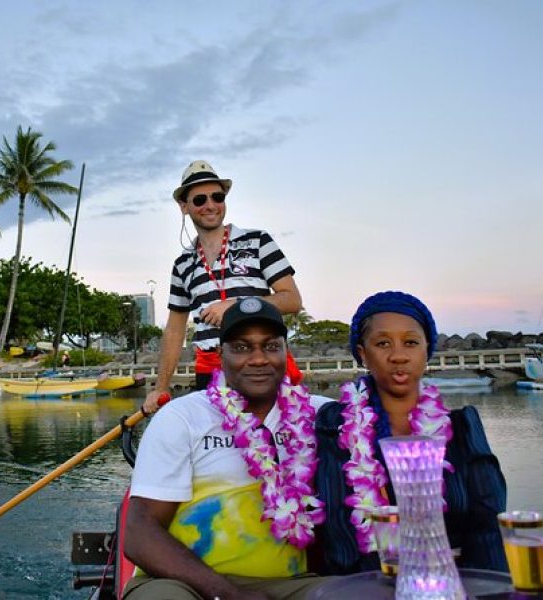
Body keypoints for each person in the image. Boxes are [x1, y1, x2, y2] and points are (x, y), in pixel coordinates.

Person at [124, 298, 333, 599]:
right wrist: (231, 596)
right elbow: (139, 532)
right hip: (183, 585)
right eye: (242, 347)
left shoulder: (323, 415)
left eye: (271, 346)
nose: (259, 358)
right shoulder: (182, 417)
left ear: (286, 353)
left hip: (296, 585)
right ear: (221, 355)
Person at [314, 291, 507, 574]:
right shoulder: (337, 426)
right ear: (362, 353)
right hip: (367, 585)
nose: (398, 356)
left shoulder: (462, 428)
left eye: (411, 342)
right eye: (383, 343)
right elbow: (338, 533)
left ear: (427, 349)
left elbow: (488, 530)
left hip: (456, 582)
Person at [144, 160, 303, 414]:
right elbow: (175, 330)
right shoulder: (183, 264)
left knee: (277, 446)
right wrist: (161, 387)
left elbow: (292, 300)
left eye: (217, 197)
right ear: (184, 206)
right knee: (218, 450)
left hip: (260, 365)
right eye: (199, 200)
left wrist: (236, 307)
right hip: (210, 372)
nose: (210, 205)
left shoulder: (258, 241)